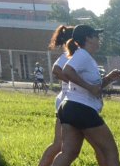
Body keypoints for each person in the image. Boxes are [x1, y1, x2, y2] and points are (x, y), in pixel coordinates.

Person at [49, 24, 120, 166]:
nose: (99, 39)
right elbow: (67, 71)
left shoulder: (85, 57)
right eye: (96, 36)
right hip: (82, 108)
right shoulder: (82, 54)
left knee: (69, 152)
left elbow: (95, 87)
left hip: (69, 108)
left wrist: (108, 78)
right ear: (88, 38)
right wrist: (89, 87)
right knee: (110, 152)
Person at [36, 25, 75, 166]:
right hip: (67, 102)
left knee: (60, 145)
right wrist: (75, 83)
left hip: (69, 102)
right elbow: (56, 70)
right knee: (60, 145)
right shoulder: (68, 55)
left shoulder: (76, 55)